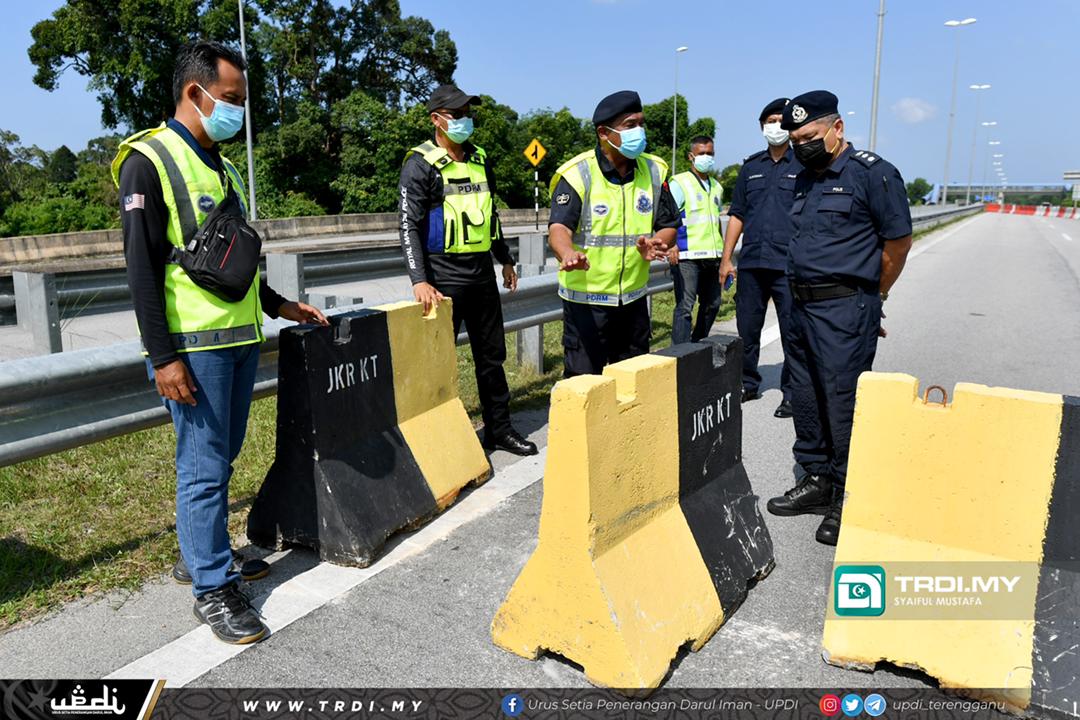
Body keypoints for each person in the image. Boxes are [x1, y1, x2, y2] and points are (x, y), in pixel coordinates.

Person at [113, 41, 328, 643]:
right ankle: (212, 587)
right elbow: (140, 271)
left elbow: (232, 260)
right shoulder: (148, 161)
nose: (238, 110)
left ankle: (200, 552)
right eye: (230, 98)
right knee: (203, 467)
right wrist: (164, 358)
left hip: (238, 339)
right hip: (194, 348)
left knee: (221, 456)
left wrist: (280, 305)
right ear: (195, 92)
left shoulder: (224, 168)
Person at [764, 91, 912, 546]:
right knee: (806, 396)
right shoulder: (803, 178)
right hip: (799, 307)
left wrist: (873, 296)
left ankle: (848, 493)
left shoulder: (873, 174)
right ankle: (818, 478)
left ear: (837, 128)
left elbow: (898, 243)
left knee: (841, 400)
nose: (801, 145)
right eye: (795, 140)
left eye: (809, 136)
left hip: (845, 308)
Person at [398, 84, 537, 456]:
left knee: (492, 358)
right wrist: (419, 280)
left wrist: (505, 259)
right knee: (438, 365)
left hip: (481, 275)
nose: (465, 120)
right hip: (442, 278)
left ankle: (499, 430)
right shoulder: (419, 164)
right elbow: (408, 225)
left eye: (468, 114)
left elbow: (490, 215)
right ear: (436, 119)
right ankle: (437, 444)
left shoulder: (480, 158)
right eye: (457, 114)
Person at [547, 90, 680, 377]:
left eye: (641, 123)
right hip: (586, 302)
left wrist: (658, 242)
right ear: (603, 133)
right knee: (584, 385)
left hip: (633, 301)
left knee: (633, 383)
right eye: (630, 125)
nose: (639, 131)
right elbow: (558, 228)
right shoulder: (578, 173)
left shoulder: (654, 170)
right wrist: (567, 253)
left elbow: (669, 223)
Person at [721, 98, 802, 418]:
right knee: (747, 329)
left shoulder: (803, 165)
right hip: (753, 262)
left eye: (782, 120)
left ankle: (792, 393)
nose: (776, 126)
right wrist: (727, 259)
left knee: (793, 331)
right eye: (770, 121)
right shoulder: (751, 167)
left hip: (789, 265)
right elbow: (737, 215)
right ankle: (747, 383)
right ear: (761, 127)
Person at [666, 135, 725, 345]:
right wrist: (671, 245)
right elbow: (667, 216)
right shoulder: (679, 182)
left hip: (713, 256)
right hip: (686, 255)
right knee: (685, 307)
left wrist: (724, 254)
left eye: (710, 153)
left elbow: (716, 221)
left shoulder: (717, 186)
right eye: (702, 153)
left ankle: (697, 345)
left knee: (713, 304)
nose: (706, 157)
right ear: (691, 156)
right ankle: (680, 354)